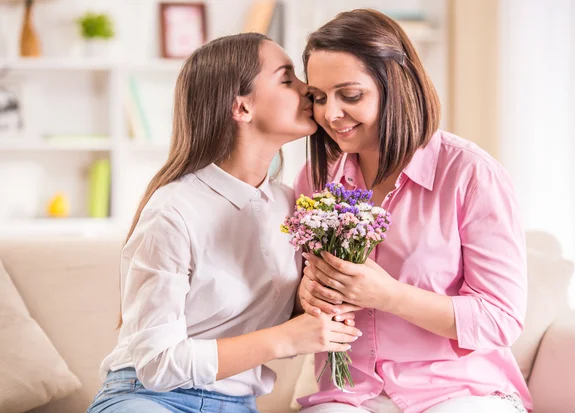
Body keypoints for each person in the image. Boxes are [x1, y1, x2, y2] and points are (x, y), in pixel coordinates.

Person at [86, 33, 361, 413]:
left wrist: (316, 304)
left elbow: (282, 315)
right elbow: (156, 364)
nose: (307, 90)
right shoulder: (174, 211)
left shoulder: (293, 207)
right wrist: (285, 339)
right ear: (241, 108)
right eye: (287, 79)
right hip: (147, 398)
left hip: (238, 404)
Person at [295, 9, 531, 413]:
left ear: (396, 85)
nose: (330, 114)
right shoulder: (317, 179)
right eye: (318, 97)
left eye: (350, 95)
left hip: (460, 392)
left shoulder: (470, 174)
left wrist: (388, 296)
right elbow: (297, 300)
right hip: (350, 394)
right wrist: (306, 296)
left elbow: (499, 319)